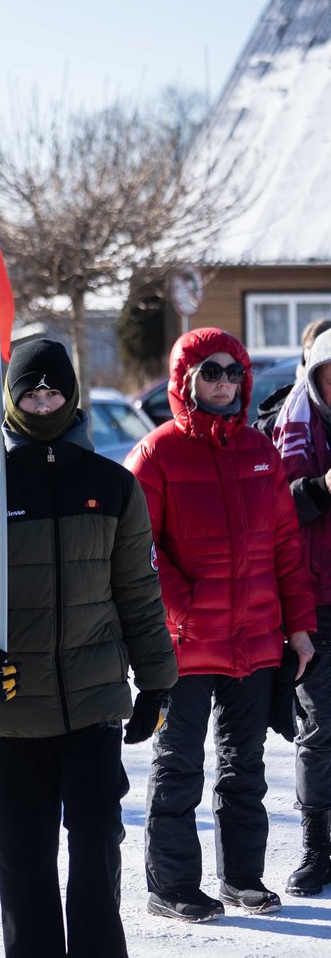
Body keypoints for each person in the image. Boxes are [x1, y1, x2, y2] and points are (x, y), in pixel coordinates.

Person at [0, 340, 178, 958]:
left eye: (53, 392)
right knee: (25, 860)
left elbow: (138, 589)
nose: (42, 403)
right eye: (30, 393)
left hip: (94, 704)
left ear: (71, 396)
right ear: (11, 400)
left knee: (97, 847)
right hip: (15, 709)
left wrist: (156, 679)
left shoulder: (112, 486)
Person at [125, 327, 316, 922]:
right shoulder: (156, 454)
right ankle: (172, 885)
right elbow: (137, 550)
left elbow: (286, 547)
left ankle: (242, 879)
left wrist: (299, 627)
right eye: (211, 371)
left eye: (234, 372)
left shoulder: (260, 451)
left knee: (245, 768)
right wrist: (184, 609)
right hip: (182, 646)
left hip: (254, 642)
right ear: (185, 379)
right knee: (178, 768)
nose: (224, 383)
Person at [268, 327, 331, 896]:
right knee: (319, 730)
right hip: (316, 602)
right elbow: (274, 515)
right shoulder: (292, 426)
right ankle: (316, 849)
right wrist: (323, 487)